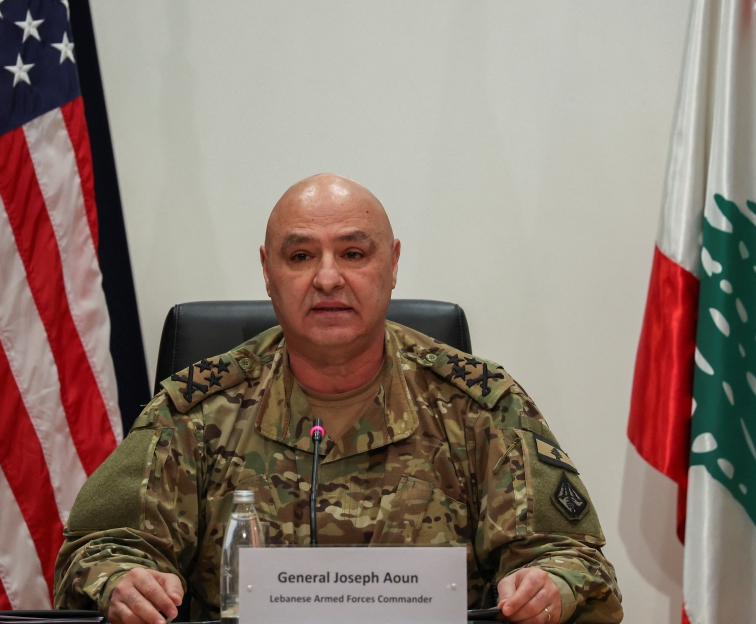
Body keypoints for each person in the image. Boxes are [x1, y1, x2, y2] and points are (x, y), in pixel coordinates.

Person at [54, 174, 623, 624]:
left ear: (393, 263)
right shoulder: (198, 411)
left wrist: (550, 587)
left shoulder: (479, 405)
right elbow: (100, 547)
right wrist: (123, 580)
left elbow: (573, 558)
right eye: (301, 257)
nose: (327, 278)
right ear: (268, 271)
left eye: (354, 253)